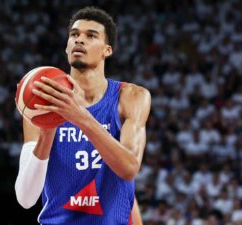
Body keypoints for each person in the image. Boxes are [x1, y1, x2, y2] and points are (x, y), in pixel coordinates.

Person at [15, 6, 150, 225]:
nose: (79, 40)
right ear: (67, 47)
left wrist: (80, 117)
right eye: (74, 35)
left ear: (107, 50)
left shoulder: (131, 96)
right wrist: (47, 133)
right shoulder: (42, 101)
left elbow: (128, 168)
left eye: (91, 36)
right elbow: (26, 199)